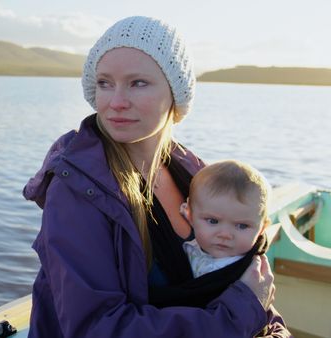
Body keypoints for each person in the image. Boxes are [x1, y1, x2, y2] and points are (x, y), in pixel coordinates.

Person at [23, 16, 291, 337]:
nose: (116, 102)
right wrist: (239, 316)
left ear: (175, 92)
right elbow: (96, 328)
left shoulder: (192, 172)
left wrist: (273, 329)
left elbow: (244, 281)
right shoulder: (78, 190)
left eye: (138, 83)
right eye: (105, 83)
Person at [148, 160, 273, 310]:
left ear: (262, 228)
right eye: (213, 221)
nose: (225, 235)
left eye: (242, 226)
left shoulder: (248, 273)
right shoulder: (191, 248)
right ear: (189, 215)